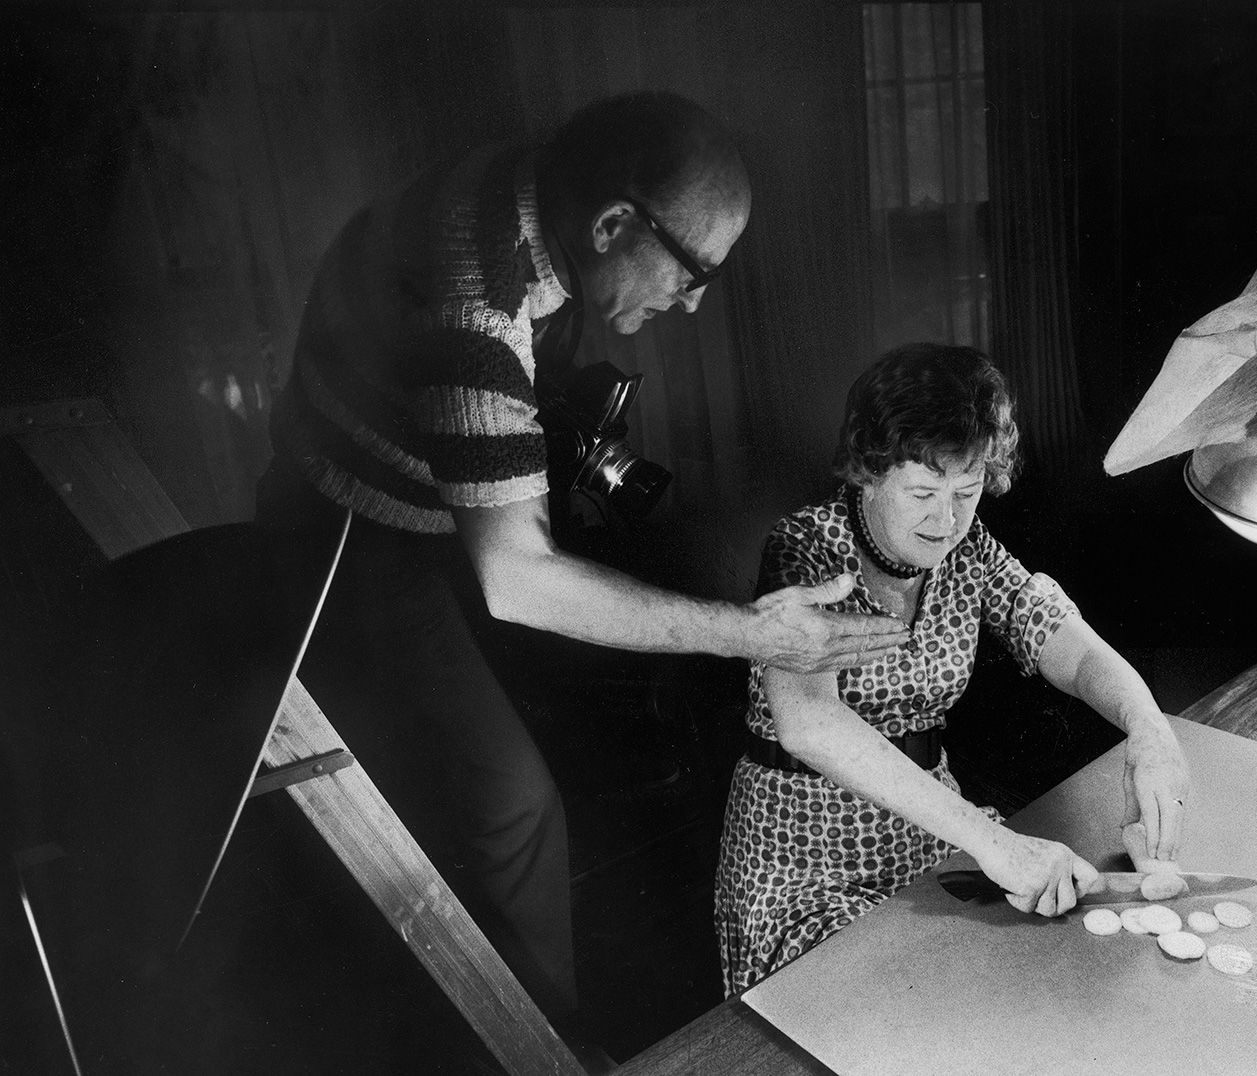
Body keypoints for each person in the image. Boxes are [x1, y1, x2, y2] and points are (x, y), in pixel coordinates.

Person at [254, 91, 907, 1057]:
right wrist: (756, 633)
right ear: (612, 224)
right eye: (692, 274)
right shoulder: (482, 298)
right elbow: (518, 581)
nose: (690, 305)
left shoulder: (540, 183)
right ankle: (538, 1052)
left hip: (425, 513)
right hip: (347, 537)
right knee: (512, 805)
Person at [715, 342, 1192, 996]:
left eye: (967, 492)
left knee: (1005, 996)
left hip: (927, 836)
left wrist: (1150, 730)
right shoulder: (804, 546)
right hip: (803, 858)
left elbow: (1065, 642)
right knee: (900, 1012)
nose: (945, 522)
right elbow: (810, 724)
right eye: (922, 492)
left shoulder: (968, 549)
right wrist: (997, 846)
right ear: (867, 471)